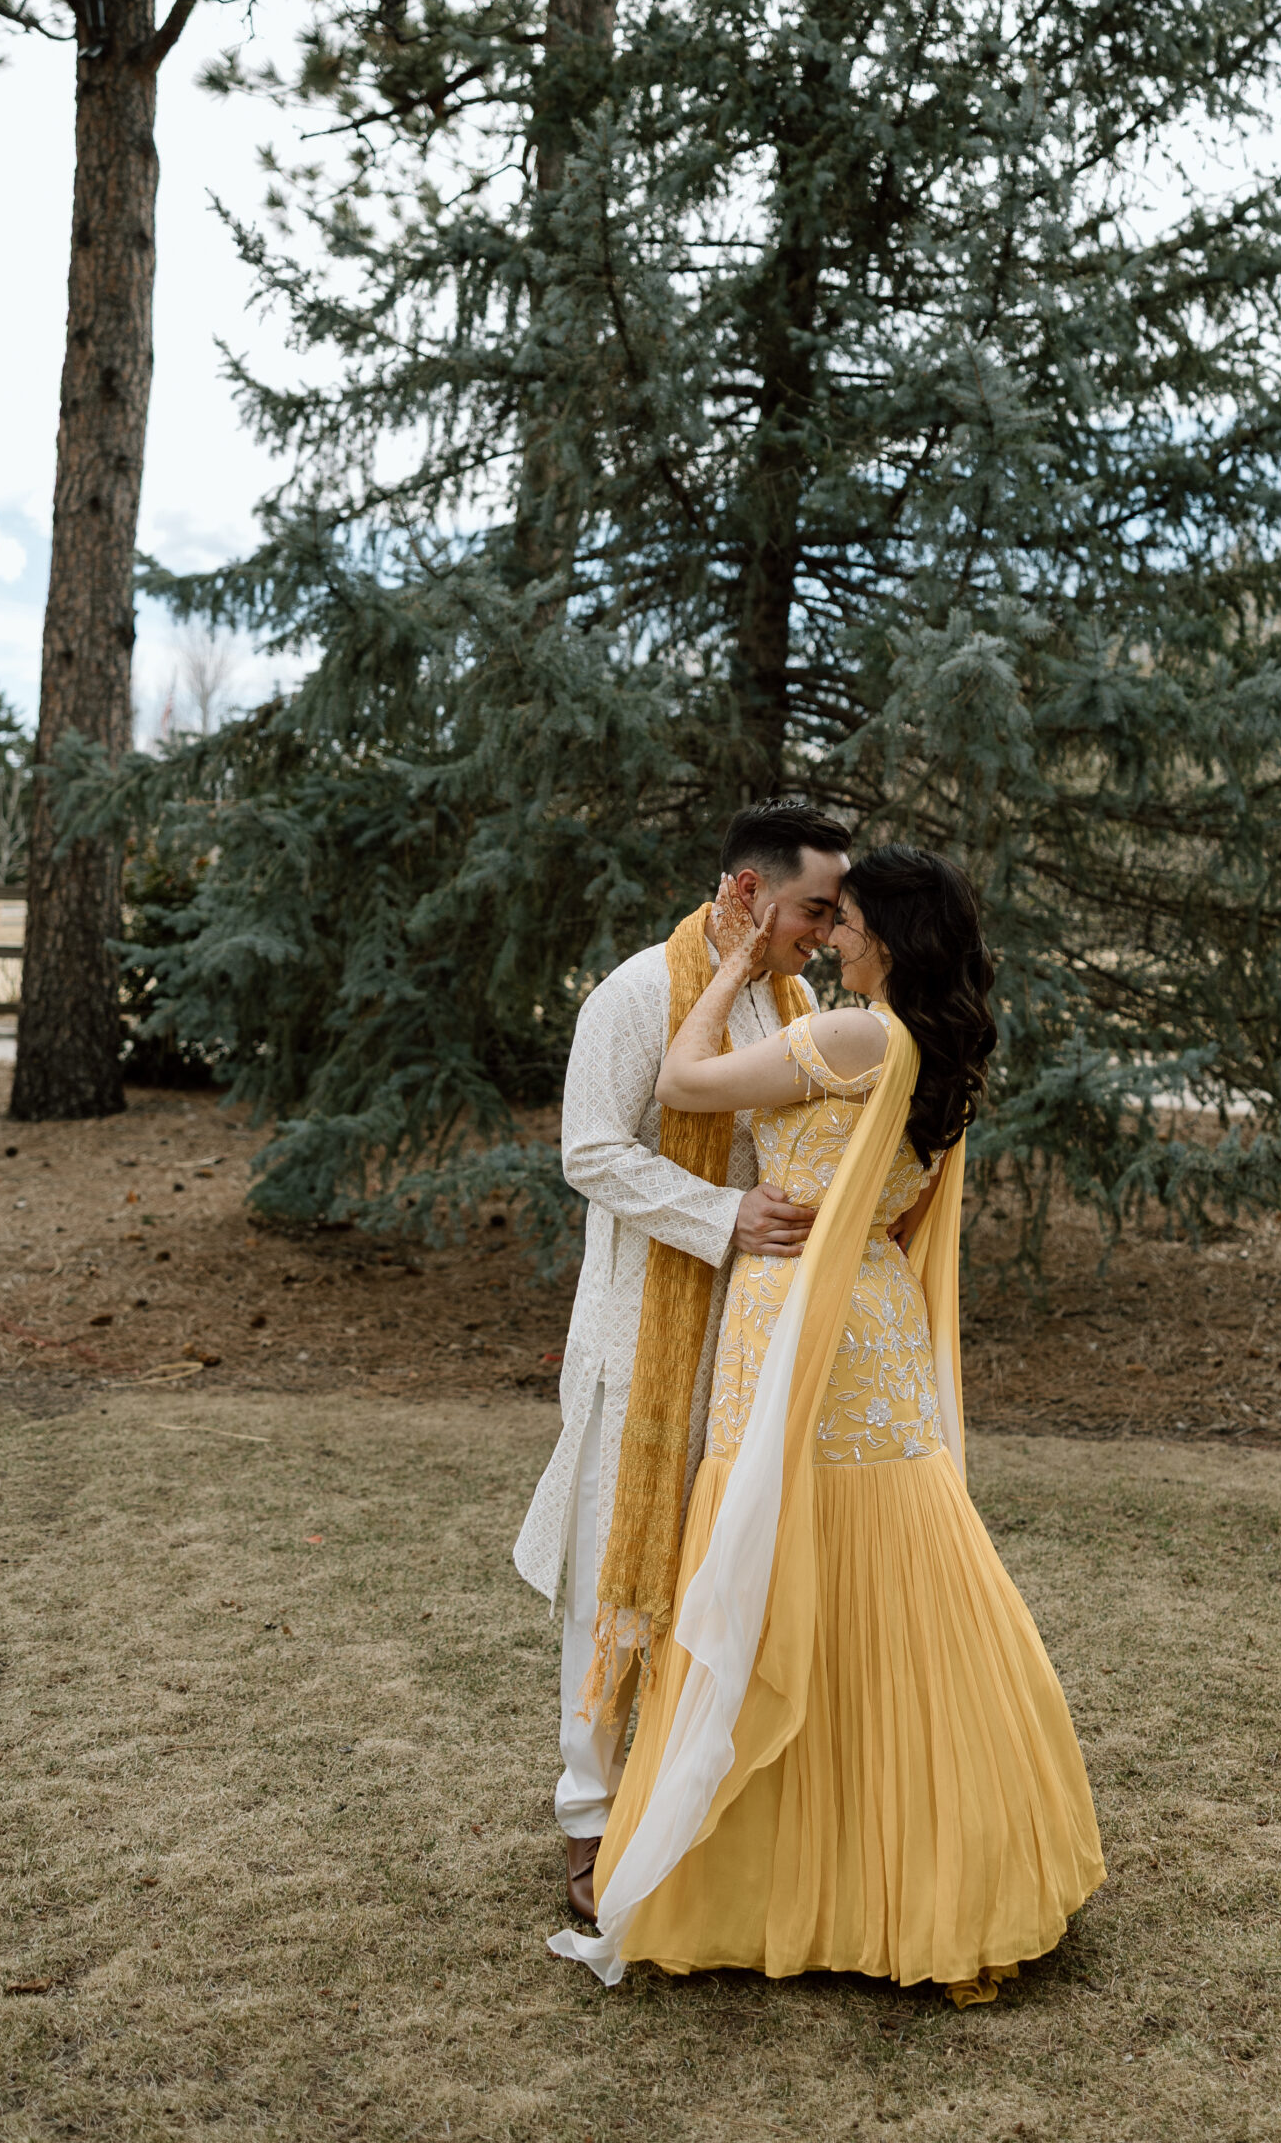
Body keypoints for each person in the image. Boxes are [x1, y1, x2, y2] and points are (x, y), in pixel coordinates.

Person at [549, 845, 1104, 2003]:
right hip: (875, 1325)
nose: (832, 937)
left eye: (846, 921)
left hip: (804, 1326)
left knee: (786, 1560)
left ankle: (778, 1875)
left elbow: (685, 1085)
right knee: (882, 1586)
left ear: (890, 936)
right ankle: (897, 1863)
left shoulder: (858, 1035)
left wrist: (732, 965)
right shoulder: (937, 1047)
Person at [513, 804, 851, 1925]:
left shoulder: (793, 1000)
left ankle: (687, 1803)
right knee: (618, 1579)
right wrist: (723, 1214)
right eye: (815, 906)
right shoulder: (632, 996)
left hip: (750, 1341)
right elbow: (590, 1151)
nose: (829, 926)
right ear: (751, 893)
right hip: (640, 1337)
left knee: (720, 1568)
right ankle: (586, 1815)